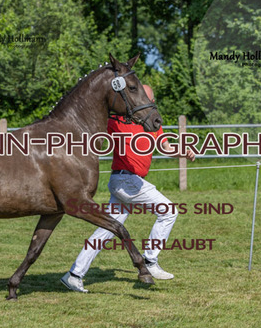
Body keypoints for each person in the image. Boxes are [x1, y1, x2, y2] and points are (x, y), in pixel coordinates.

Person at [61, 84, 195, 293]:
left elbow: (166, 147)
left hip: (130, 183)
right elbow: (90, 127)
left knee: (106, 229)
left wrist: (183, 151)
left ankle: (74, 275)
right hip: (126, 181)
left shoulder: (152, 124)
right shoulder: (117, 121)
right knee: (168, 211)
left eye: (146, 99)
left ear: (151, 102)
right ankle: (150, 261)